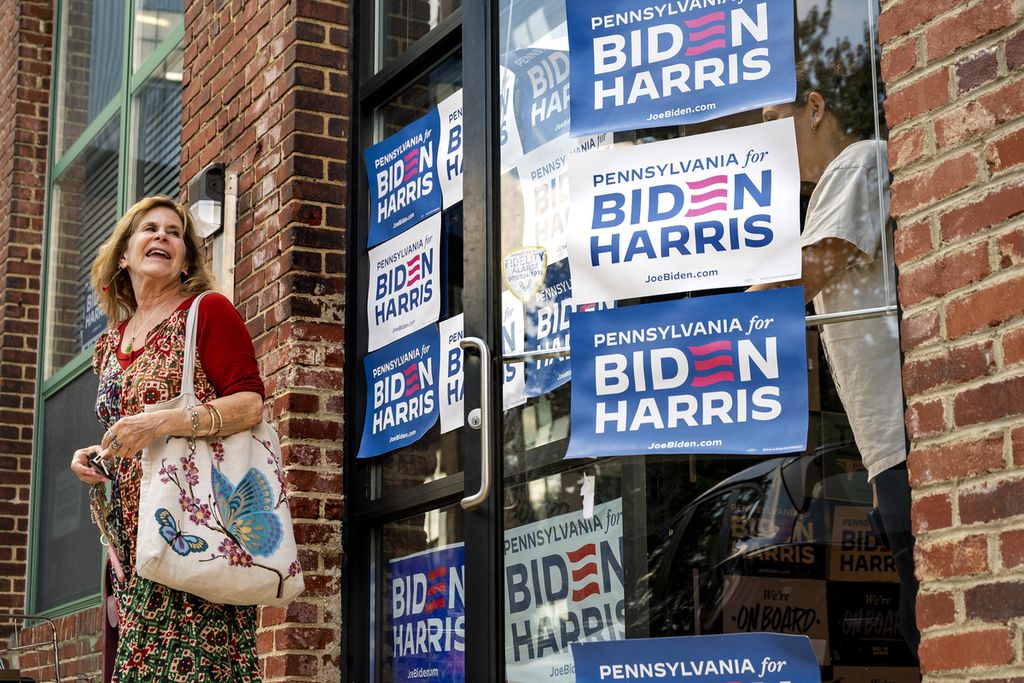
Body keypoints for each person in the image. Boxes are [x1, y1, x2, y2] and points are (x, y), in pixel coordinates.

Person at [756, 71, 920, 655]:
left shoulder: (858, 163)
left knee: (922, 622)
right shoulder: (833, 192)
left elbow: (805, 276)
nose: (766, 146)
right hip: (890, 451)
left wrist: (714, 316)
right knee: (916, 617)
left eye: (773, 125)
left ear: (815, 107)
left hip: (906, 445)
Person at [70, 195, 267, 682]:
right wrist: (99, 455)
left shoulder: (207, 312)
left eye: (174, 233)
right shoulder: (110, 343)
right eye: (149, 229)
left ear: (185, 258)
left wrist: (160, 422)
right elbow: (125, 427)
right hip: (133, 542)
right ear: (123, 254)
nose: (162, 236)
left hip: (192, 526)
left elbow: (249, 405)